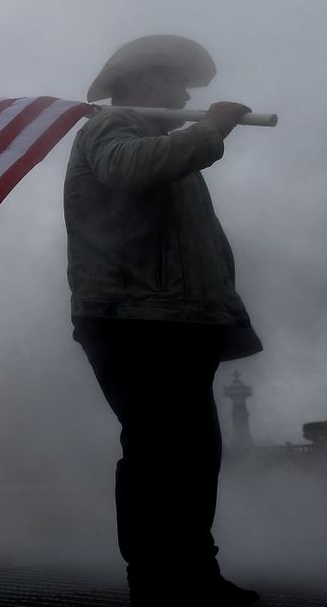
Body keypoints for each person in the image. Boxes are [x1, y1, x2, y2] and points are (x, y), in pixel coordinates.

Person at [65, 35, 262, 607]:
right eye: (174, 81)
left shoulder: (166, 144)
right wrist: (209, 130)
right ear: (140, 81)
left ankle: (195, 575)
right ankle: (156, 582)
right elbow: (128, 169)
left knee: (194, 456)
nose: (182, 94)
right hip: (134, 320)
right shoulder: (113, 127)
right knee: (157, 455)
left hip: (178, 322)